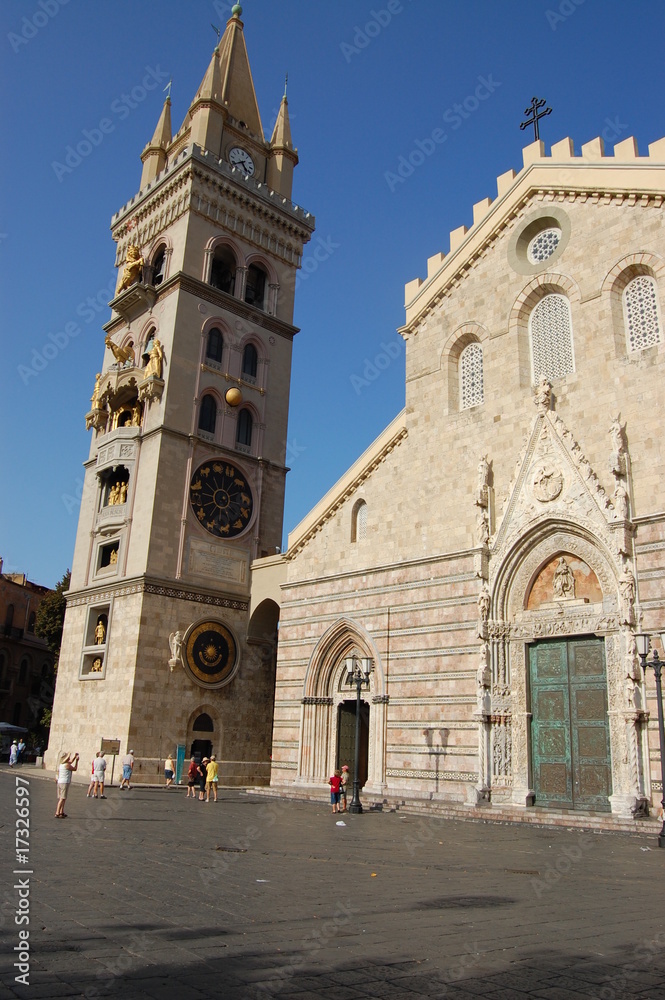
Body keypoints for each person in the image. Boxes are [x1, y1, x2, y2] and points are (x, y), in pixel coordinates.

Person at [55, 751, 79, 818]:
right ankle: (57, 812)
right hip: (64, 782)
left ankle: (61, 811)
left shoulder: (61, 764)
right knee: (62, 798)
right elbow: (75, 768)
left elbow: (70, 762)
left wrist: (74, 757)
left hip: (60, 782)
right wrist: (77, 761)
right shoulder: (67, 765)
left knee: (63, 798)